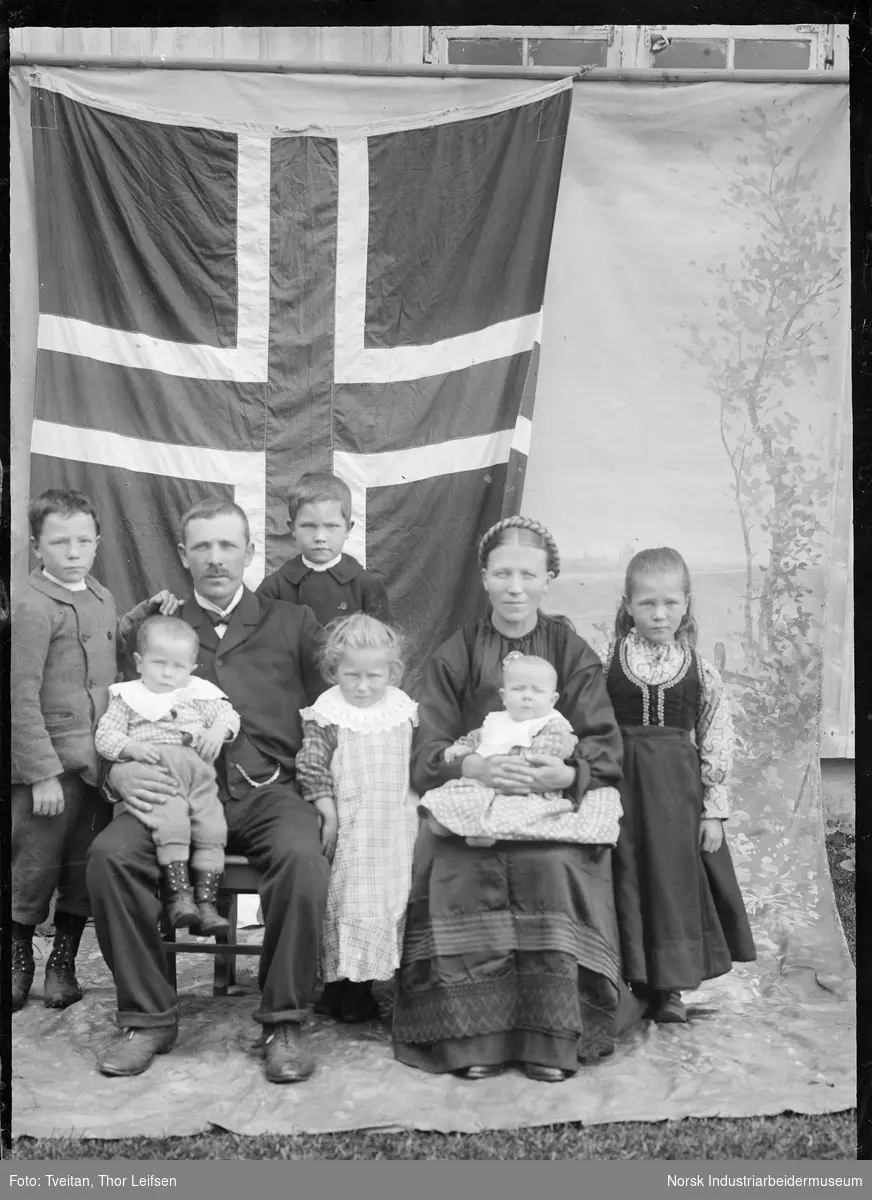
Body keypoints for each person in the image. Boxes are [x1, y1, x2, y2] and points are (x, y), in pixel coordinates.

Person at [393, 516, 645, 1084]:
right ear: (483, 578)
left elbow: (604, 742)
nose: (514, 586)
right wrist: (475, 763)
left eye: (527, 574)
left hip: (548, 798)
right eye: (502, 573)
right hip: (475, 799)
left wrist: (564, 770)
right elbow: (428, 744)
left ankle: (550, 1037)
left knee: (553, 865)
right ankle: (471, 1037)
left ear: (548, 579)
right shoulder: (456, 652)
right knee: (458, 863)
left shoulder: (570, 651)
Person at [86, 497, 330, 1084]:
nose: (216, 559)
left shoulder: (291, 622)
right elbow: (117, 714)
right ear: (183, 554)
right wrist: (115, 774)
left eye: (228, 545)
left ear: (249, 551)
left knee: (302, 856)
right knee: (109, 856)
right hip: (168, 790)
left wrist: (325, 791)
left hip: (267, 791)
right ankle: (148, 1018)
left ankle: (284, 1020)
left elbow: (330, 713)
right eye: (202, 546)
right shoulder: (159, 630)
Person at [11, 488, 177, 1012]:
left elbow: (104, 639)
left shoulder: (99, 595)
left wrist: (139, 617)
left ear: (98, 542)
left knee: (82, 867)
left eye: (84, 540)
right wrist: (38, 773)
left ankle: (63, 959)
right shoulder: (32, 606)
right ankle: (18, 961)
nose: (74, 551)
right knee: (34, 865)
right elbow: (17, 693)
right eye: (60, 542)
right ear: (37, 546)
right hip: (51, 767)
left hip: (97, 763)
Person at [603, 547, 756, 1025]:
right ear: (628, 604)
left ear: (686, 603)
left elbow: (717, 737)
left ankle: (669, 989)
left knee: (671, 885)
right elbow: (588, 723)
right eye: (647, 603)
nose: (659, 613)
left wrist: (713, 809)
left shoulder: (698, 669)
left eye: (670, 603)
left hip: (677, 801)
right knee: (626, 880)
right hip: (623, 794)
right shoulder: (607, 662)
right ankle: (630, 982)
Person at [296, 614, 418, 1024]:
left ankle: (361, 989)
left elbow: (412, 761)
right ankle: (337, 986)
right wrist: (325, 808)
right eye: (351, 675)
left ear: (391, 672)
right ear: (335, 669)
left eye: (374, 676)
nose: (362, 686)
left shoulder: (402, 710)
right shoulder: (328, 713)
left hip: (390, 829)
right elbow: (311, 763)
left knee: (384, 899)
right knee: (342, 901)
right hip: (347, 825)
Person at [94, 615, 241, 934]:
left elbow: (229, 715)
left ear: (191, 667)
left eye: (177, 666)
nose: (167, 672)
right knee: (172, 822)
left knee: (213, 828)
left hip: (198, 776)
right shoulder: (128, 697)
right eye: (158, 663)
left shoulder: (198, 693)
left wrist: (218, 730)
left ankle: (207, 903)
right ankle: (179, 898)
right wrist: (130, 747)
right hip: (158, 776)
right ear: (139, 661)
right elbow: (105, 736)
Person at [419, 652, 622, 848]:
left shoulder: (552, 724)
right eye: (518, 689)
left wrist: (526, 756)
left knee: (519, 809)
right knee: (453, 795)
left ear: (552, 699)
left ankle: (489, 830)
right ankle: (462, 823)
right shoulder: (496, 720)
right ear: (504, 696)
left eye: (537, 691)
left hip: (526, 786)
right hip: (486, 782)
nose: (527, 696)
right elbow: (477, 738)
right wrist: (462, 747)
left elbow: (559, 747)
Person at [256, 472, 390, 627]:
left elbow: (382, 644)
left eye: (331, 526)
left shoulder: (367, 586)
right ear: (292, 528)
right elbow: (259, 643)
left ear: (347, 529)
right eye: (308, 526)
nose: (320, 537)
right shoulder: (275, 587)